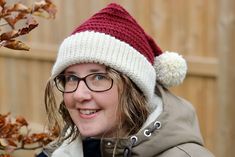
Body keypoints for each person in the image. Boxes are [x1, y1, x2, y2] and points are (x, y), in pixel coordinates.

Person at [37, 3, 215, 157]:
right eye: (72, 78)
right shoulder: (61, 151)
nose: (78, 94)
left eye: (99, 77)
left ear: (134, 87)